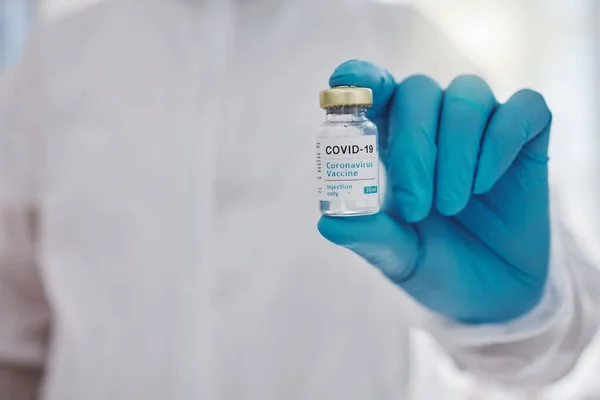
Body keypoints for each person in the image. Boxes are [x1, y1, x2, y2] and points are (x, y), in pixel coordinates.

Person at [0, 0, 599, 399]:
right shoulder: (60, 60)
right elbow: (13, 337)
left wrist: (516, 310)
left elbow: (555, 344)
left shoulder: (402, 38)